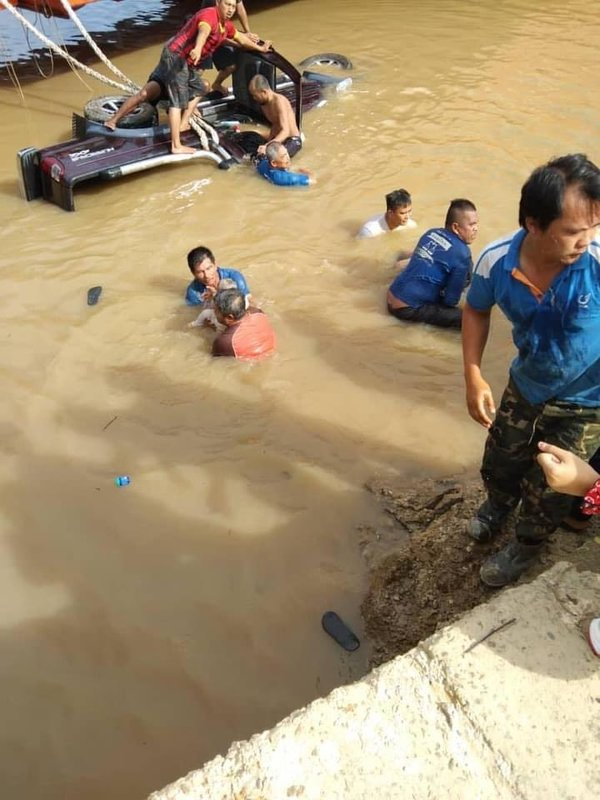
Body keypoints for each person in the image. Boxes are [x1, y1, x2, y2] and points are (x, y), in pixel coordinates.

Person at [463, 153, 600, 588]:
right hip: (526, 384)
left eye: (594, 227)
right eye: (575, 231)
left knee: (551, 488)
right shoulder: (496, 261)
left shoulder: (596, 263)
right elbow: (475, 310)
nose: (587, 240)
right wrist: (473, 374)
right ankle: (497, 506)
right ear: (534, 224)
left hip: (586, 403)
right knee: (500, 459)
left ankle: (525, 545)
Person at [109, 0, 271, 153]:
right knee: (169, 100)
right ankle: (176, 145)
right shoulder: (208, 16)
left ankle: (115, 121)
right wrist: (198, 49)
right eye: (227, 4)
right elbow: (203, 31)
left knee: (200, 87)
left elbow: (240, 39)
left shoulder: (225, 26)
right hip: (176, 58)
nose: (230, 9)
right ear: (217, 3)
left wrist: (260, 49)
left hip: (180, 64)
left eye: (233, 6)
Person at [386, 199, 478, 329]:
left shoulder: (431, 233)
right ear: (456, 227)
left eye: (476, 224)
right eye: (472, 225)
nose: (476, 229)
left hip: (391, 294)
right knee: (470, 321)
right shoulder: (463, 254)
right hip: (406, 309)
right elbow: (450, 301)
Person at [199, 0, 258, 96]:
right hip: (206, 35)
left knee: (230, 66)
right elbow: (218, 36)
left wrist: (248, 33)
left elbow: (240, 9)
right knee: (198, 72)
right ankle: (186, 100)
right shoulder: (213, 3)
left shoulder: (227, 22)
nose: (231, 10)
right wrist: (238, 44)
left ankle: (217, 84)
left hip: (221, 30)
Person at [212, 288, 276, 359]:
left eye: (216, 311)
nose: (214, 312)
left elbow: (214, 358)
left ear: (230, 317)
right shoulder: (257, 312)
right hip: (271, 352)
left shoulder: (225, 341)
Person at [248, 74, 303, 158]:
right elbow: (275, 124)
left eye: (255, 95)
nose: (254, 98)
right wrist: (268, 141)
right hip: (278, 141)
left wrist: (268, 146)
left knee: (270, 158)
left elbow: (285, 131)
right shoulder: (264, 103)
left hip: (291, 140)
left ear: (264, 92)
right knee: (250, 141)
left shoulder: (279, 101)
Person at [185, 246, 251, 306]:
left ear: (215, 265)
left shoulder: (234, 278)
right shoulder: (194, 292)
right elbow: (199, 315)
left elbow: (247, 304)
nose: (206, 275)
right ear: (193, 273)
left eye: (208, 268)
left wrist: (215, 297)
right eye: (200, 272)